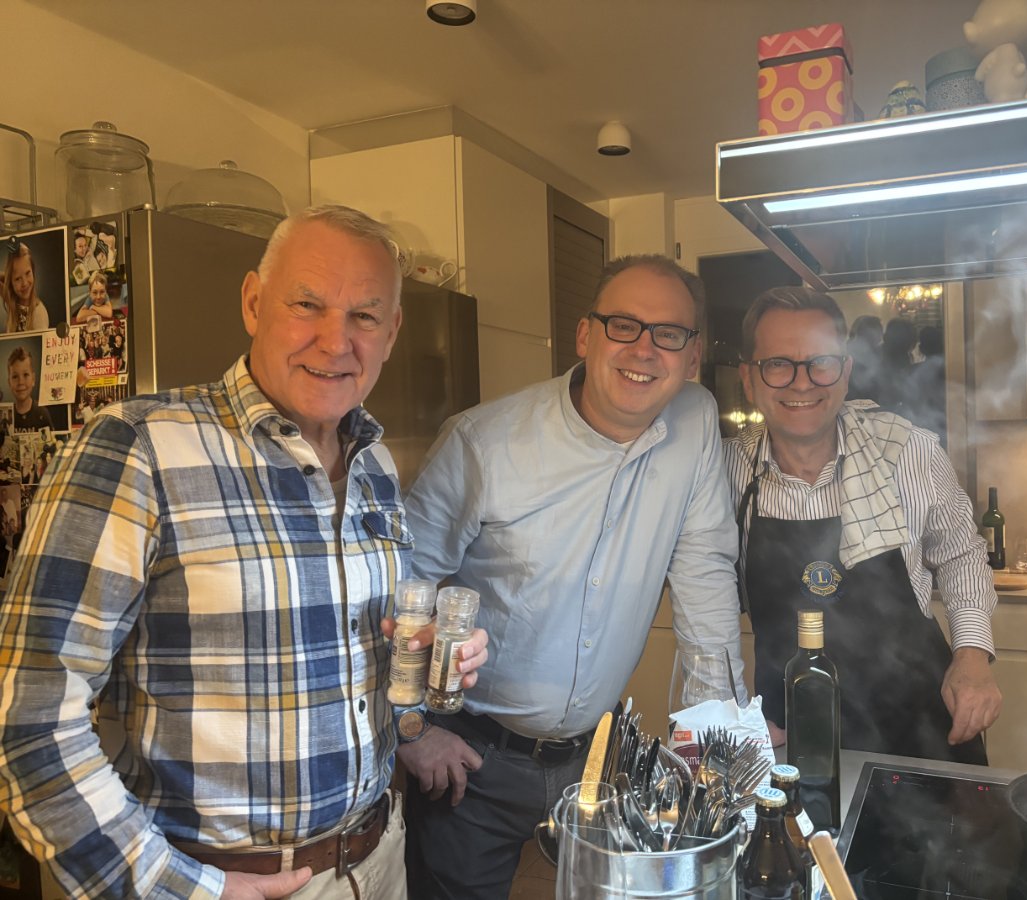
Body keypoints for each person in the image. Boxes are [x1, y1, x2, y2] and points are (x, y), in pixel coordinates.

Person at [0, 205, 490, 900]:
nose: (336, 341)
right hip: (216, 880)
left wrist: (422, 664)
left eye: (364, 316)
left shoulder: (375, 463)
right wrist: (180, 889)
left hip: (379, 861)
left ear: (392, 332)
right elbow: (27, 718)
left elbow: (340, 664)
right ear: (254, 303)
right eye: (307, 305)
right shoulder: (136, 447)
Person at [402, 254, 747, 899]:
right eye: (624, 325)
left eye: (669, 333)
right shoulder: (483, 442)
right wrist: (411, 731)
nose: (644, 349)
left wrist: (715, 733)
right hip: (471, 759)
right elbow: (398, 586)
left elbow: (704, 569)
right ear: (586, 336)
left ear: (693, 355)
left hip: (597, 763)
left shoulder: (695, 420)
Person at [725, 285, 1001, 765]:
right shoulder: (725, 471)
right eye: (778, 364)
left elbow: (961, 553)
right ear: (748, 379)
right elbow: (705, 594)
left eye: (821, 363)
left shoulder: (907, 451)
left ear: (846, 372)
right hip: (791, 733)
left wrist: (972, 656)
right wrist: (725, 707)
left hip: (920, 728)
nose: (802, 383)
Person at [3, 243, 50, 333]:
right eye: (17, 279)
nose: (24, 283)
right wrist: (8, 278)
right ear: (10, 282)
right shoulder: (12, 303)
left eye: (28, 273)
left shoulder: (39, 313)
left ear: (33, 272)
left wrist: (11, 278)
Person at [7, 347, 53, 432]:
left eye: (25, 375)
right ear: (9, 383)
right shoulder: (7, 417)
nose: (21, 382)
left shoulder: (42, 413)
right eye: (15, 376)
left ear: (33, 379)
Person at [846, 314, 883, 403]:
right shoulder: (849, 353)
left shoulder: (876, 353)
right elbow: (860, 383)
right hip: (854, 402)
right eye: (879, 332)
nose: (880, 338)